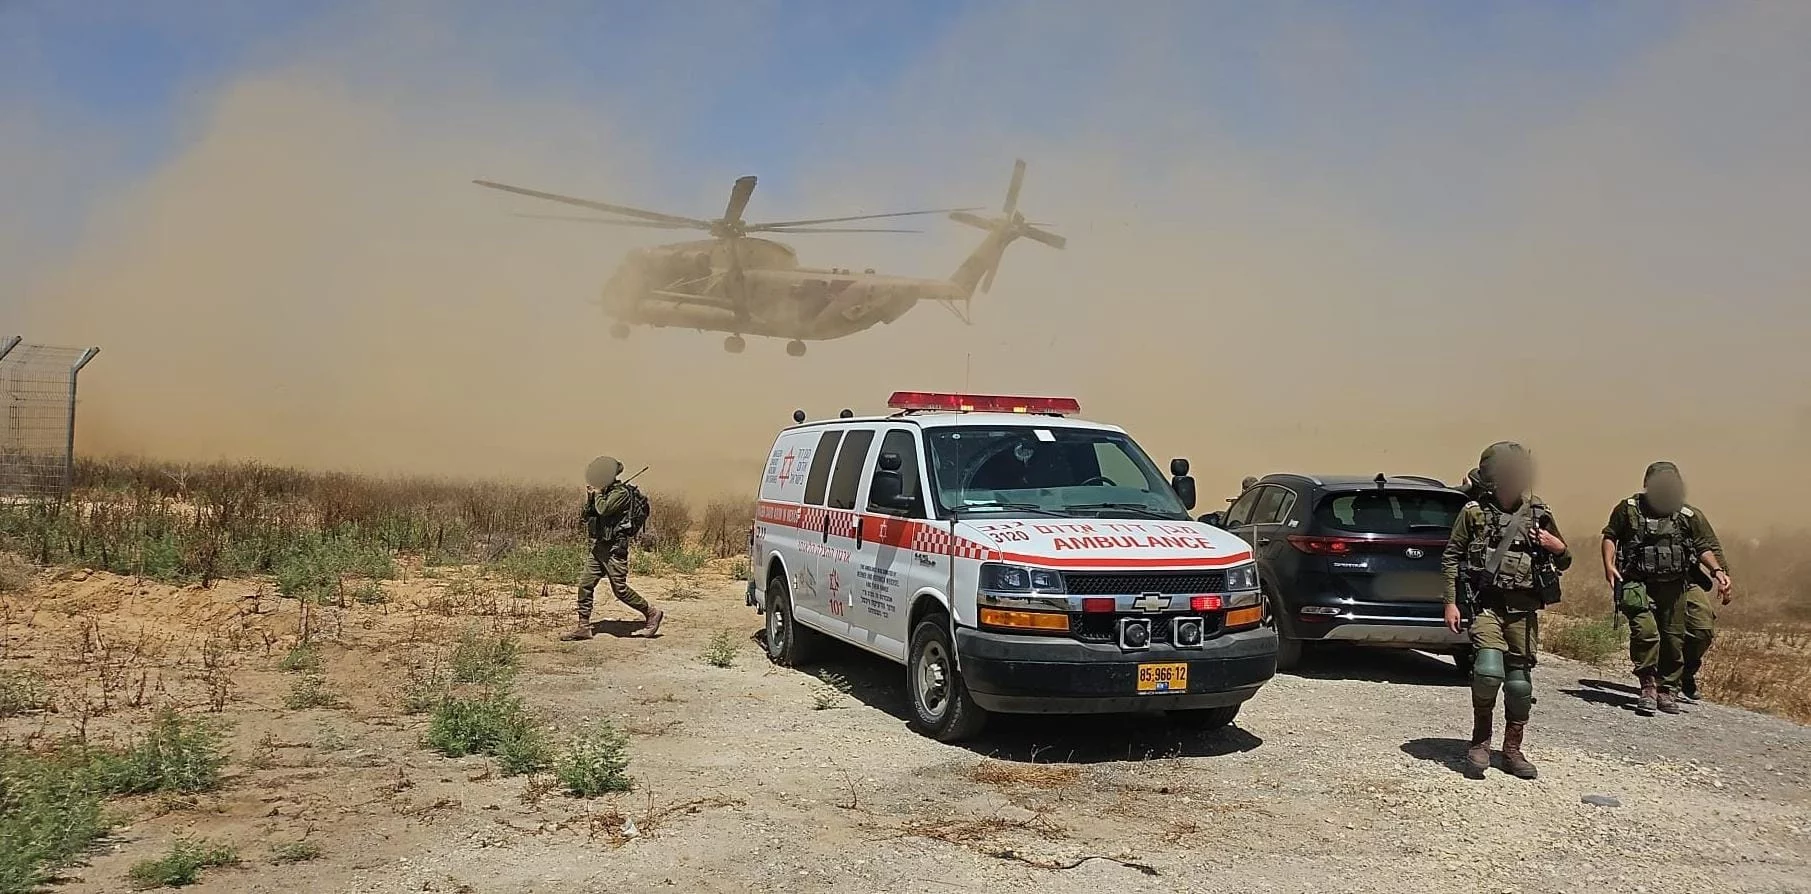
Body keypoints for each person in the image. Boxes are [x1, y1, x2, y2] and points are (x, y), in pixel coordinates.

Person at [1441, 442, 1571, 780]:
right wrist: (1451, 602)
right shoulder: (1473, 513)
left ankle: (1512, 750)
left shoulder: (1538, 513)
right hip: (1488, 606)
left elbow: (1564, 558)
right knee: (1487, 673)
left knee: (1518, 685)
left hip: (1523, 611)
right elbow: (1452, 557)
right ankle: (1480, 743)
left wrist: (1558, 547)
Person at [1600, 461, 1731, 714]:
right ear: (1647, 485)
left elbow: (1706, 546)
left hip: (1676, 583)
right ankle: (1648, 685)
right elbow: (1610, 535)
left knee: (1681, 634)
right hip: (1637, 580)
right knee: (1646, 632)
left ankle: (1672, 684)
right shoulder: (1629, 510)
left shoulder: (1687, 515)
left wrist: (1718, 572)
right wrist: (1608, 564)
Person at [563, 456, 663, 641]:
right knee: (585, 584)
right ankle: (583, 627)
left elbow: (604, 510)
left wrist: (598, 494)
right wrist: (591, 497)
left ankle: (652, 613)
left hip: (615, 549)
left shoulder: (621, 493)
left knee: (620, 590)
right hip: (600, 546)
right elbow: (589, 514)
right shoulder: (606, 492)